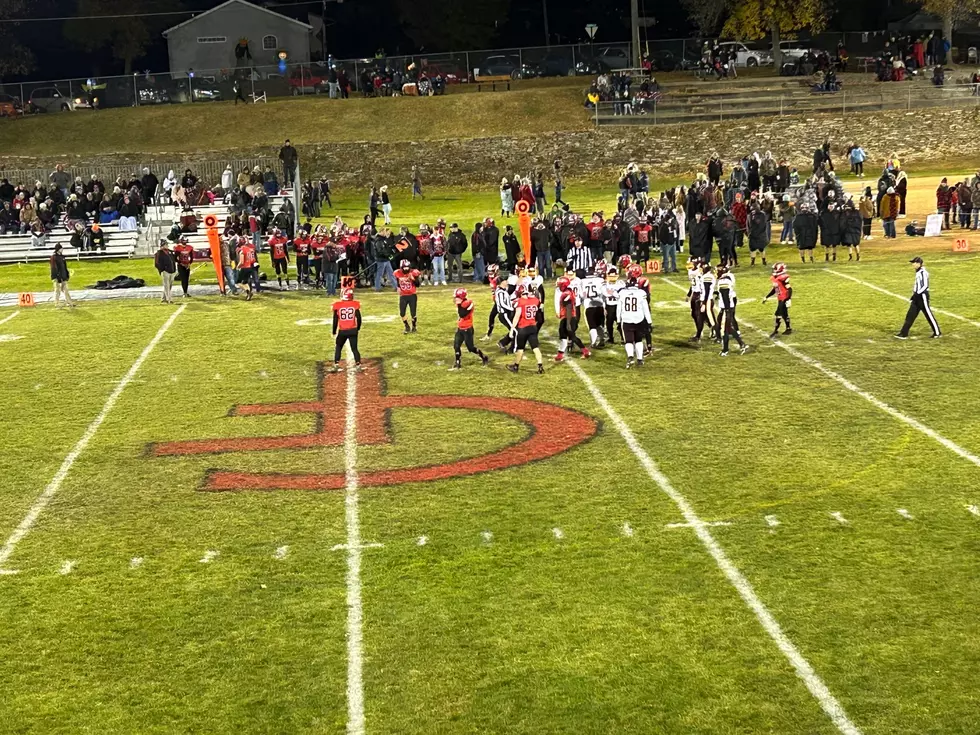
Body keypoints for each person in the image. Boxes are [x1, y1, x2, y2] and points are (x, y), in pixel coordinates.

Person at [896, 257, 940, 339]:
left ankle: (937, 332)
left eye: (914, 263)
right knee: (910, 315)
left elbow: (925, 285)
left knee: (928, 314)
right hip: (917, 296)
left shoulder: (923, 272)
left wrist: (918, 293)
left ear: (919, 263)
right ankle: (904, 333)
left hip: (922, 296)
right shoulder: (918, 272)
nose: (913, 264)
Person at [507, 285, 545, 374]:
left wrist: (512, 329)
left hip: (523, 328)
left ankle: (516, 366)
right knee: (535, 348)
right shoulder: (535, 300)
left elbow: (517, 316)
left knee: (520, 349)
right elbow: (536, 301)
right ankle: (540, 366)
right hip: (533, 327)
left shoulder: (520, 301)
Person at [617, 270, 652, 368]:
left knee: (628, 341)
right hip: (639, 319)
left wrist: (619, 321)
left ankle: (630, 357)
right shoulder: (641, 293)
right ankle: (640, 359)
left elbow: (618, 308)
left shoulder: (622, 293)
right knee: (638, 340)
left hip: (627, 319)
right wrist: (649, 322)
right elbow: (646, 309)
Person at [450, 288, 489, 370]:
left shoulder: (467, 304)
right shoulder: (461, 303)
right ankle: (458, 363)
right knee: (456, 345)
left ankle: (483, 357)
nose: (455, 299)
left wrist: (459, 305)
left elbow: (462, 315)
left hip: (467, 329)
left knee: (470, 348)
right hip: (460, 328)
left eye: (457, 297)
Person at [554, 275, 590, 362]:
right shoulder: (568, 291)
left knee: (572, 336)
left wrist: (568, 323)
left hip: (569, 317)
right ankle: (560, 355)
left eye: (559, 284)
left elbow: (569, 308)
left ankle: (586, 351)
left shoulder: (566, 294)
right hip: (565, 317)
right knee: (562, 336)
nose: (558, 286)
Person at [716, 264, 748, 356]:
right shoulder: (725, 280)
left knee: (724, 329)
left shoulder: (723, 281)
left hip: (726, 307)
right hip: (727, 307)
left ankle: (725, 350)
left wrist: (725, 310)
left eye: (718, 270)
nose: (716, 272)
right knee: (728, 328)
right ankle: (742, 344)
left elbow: (725, 296)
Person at [331, 288, 363, 370]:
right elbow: (359, 318)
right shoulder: (355, 304)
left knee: (338, 346)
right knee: (354, 348)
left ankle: (336, 364)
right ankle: (358, 364)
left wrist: (334, 331)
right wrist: (358, 328)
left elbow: (335, 320)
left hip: (343, 330)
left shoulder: (337, 305)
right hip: (353, 330)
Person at [763, 262, 793, 337]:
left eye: (775, 269)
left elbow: (789, 289)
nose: (773, 270)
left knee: (778, 313)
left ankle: (776, 330)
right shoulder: (775, 278)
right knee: (784, 314)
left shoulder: (783, 278)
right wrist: (767, 296)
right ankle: (788, 328)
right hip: (780, 298)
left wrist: (788, 299)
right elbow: (775, 289)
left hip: (784, 298)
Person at [394, 258, 421, 333]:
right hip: (403, 295)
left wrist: (413, 279)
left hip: (412, 295)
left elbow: (418, 284)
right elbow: (398, 282)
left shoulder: (413, 272)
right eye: (404, 267)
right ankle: (407, 326)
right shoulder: (397, 273)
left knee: (413, 313)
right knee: (402, 313)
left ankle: (414, 327)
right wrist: (398, 287)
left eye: (407, 267)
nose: (406, 269)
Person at [50, 243, 74, 308]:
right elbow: (54, 268)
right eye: (61, 248)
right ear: (58, 249)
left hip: (63, 276)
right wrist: (57, 276)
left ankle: (69, 302)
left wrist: (67, 275)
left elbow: (64, 267)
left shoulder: (62, 257)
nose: (62, 249)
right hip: (56, 277)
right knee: (57, 290)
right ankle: (56, 303)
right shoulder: (53, 257)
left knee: (66, 290)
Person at [155, 239, 177, 304]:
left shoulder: (170, 252)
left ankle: (163, 298)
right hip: (165, 271)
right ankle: (169, 299)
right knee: (166, 285)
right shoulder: (159, 253)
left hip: (172, 271)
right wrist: (162, 270)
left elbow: (174, 260)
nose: (167, 245)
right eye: (165, 244)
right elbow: (156, 263)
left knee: (169, 286)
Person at [237, 235, 258, 301]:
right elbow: (253, 258)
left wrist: (238, 266)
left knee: (238, 283)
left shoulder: (242, 249)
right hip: (251, 267)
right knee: (245, 282)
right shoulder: (250, 248)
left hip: (245, 267)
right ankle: (249, 294)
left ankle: (249, 292)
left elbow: (242, 261)